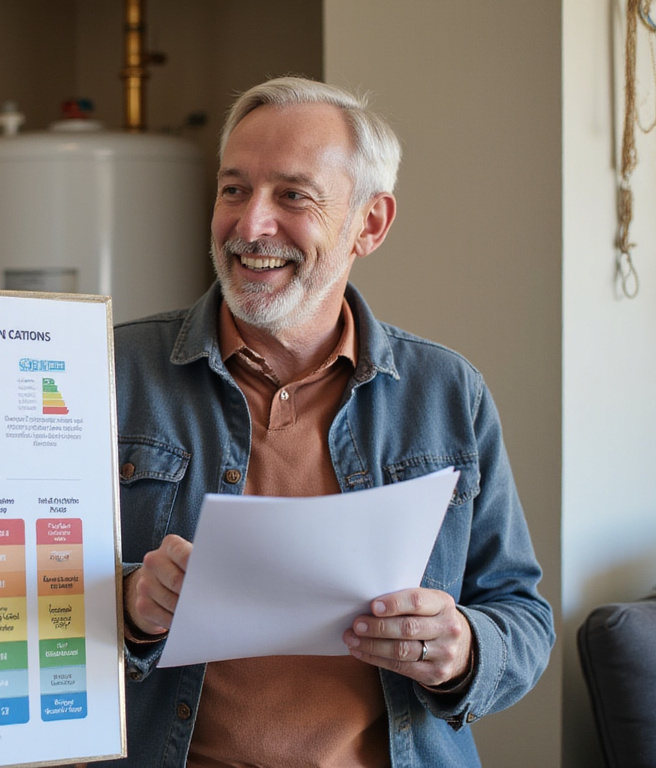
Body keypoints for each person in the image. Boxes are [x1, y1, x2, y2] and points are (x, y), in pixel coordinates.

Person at [110, 77, 554, 768]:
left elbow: (521, 613)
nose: (250, 225)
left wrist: (464, 649)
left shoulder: (448, 391)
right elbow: (14, 579)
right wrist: (128, 603)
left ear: (369, 224)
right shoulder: (111, 369)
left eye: (293, 195)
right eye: (233, 189)